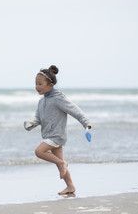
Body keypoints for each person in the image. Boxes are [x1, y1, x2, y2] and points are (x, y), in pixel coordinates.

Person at [24, 65, 91, 195]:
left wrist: (86, 123)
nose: (37, 86)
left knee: (39, 152)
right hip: (49, 135)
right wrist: (31, 124)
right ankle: (70, 186)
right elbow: (38, 118)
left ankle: (62, 163)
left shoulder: (59, 99)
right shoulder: (41, 101)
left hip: (56, 135)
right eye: (36, 83)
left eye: (40, 84)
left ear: (51, 85)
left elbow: (75, 110)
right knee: (59, 165)